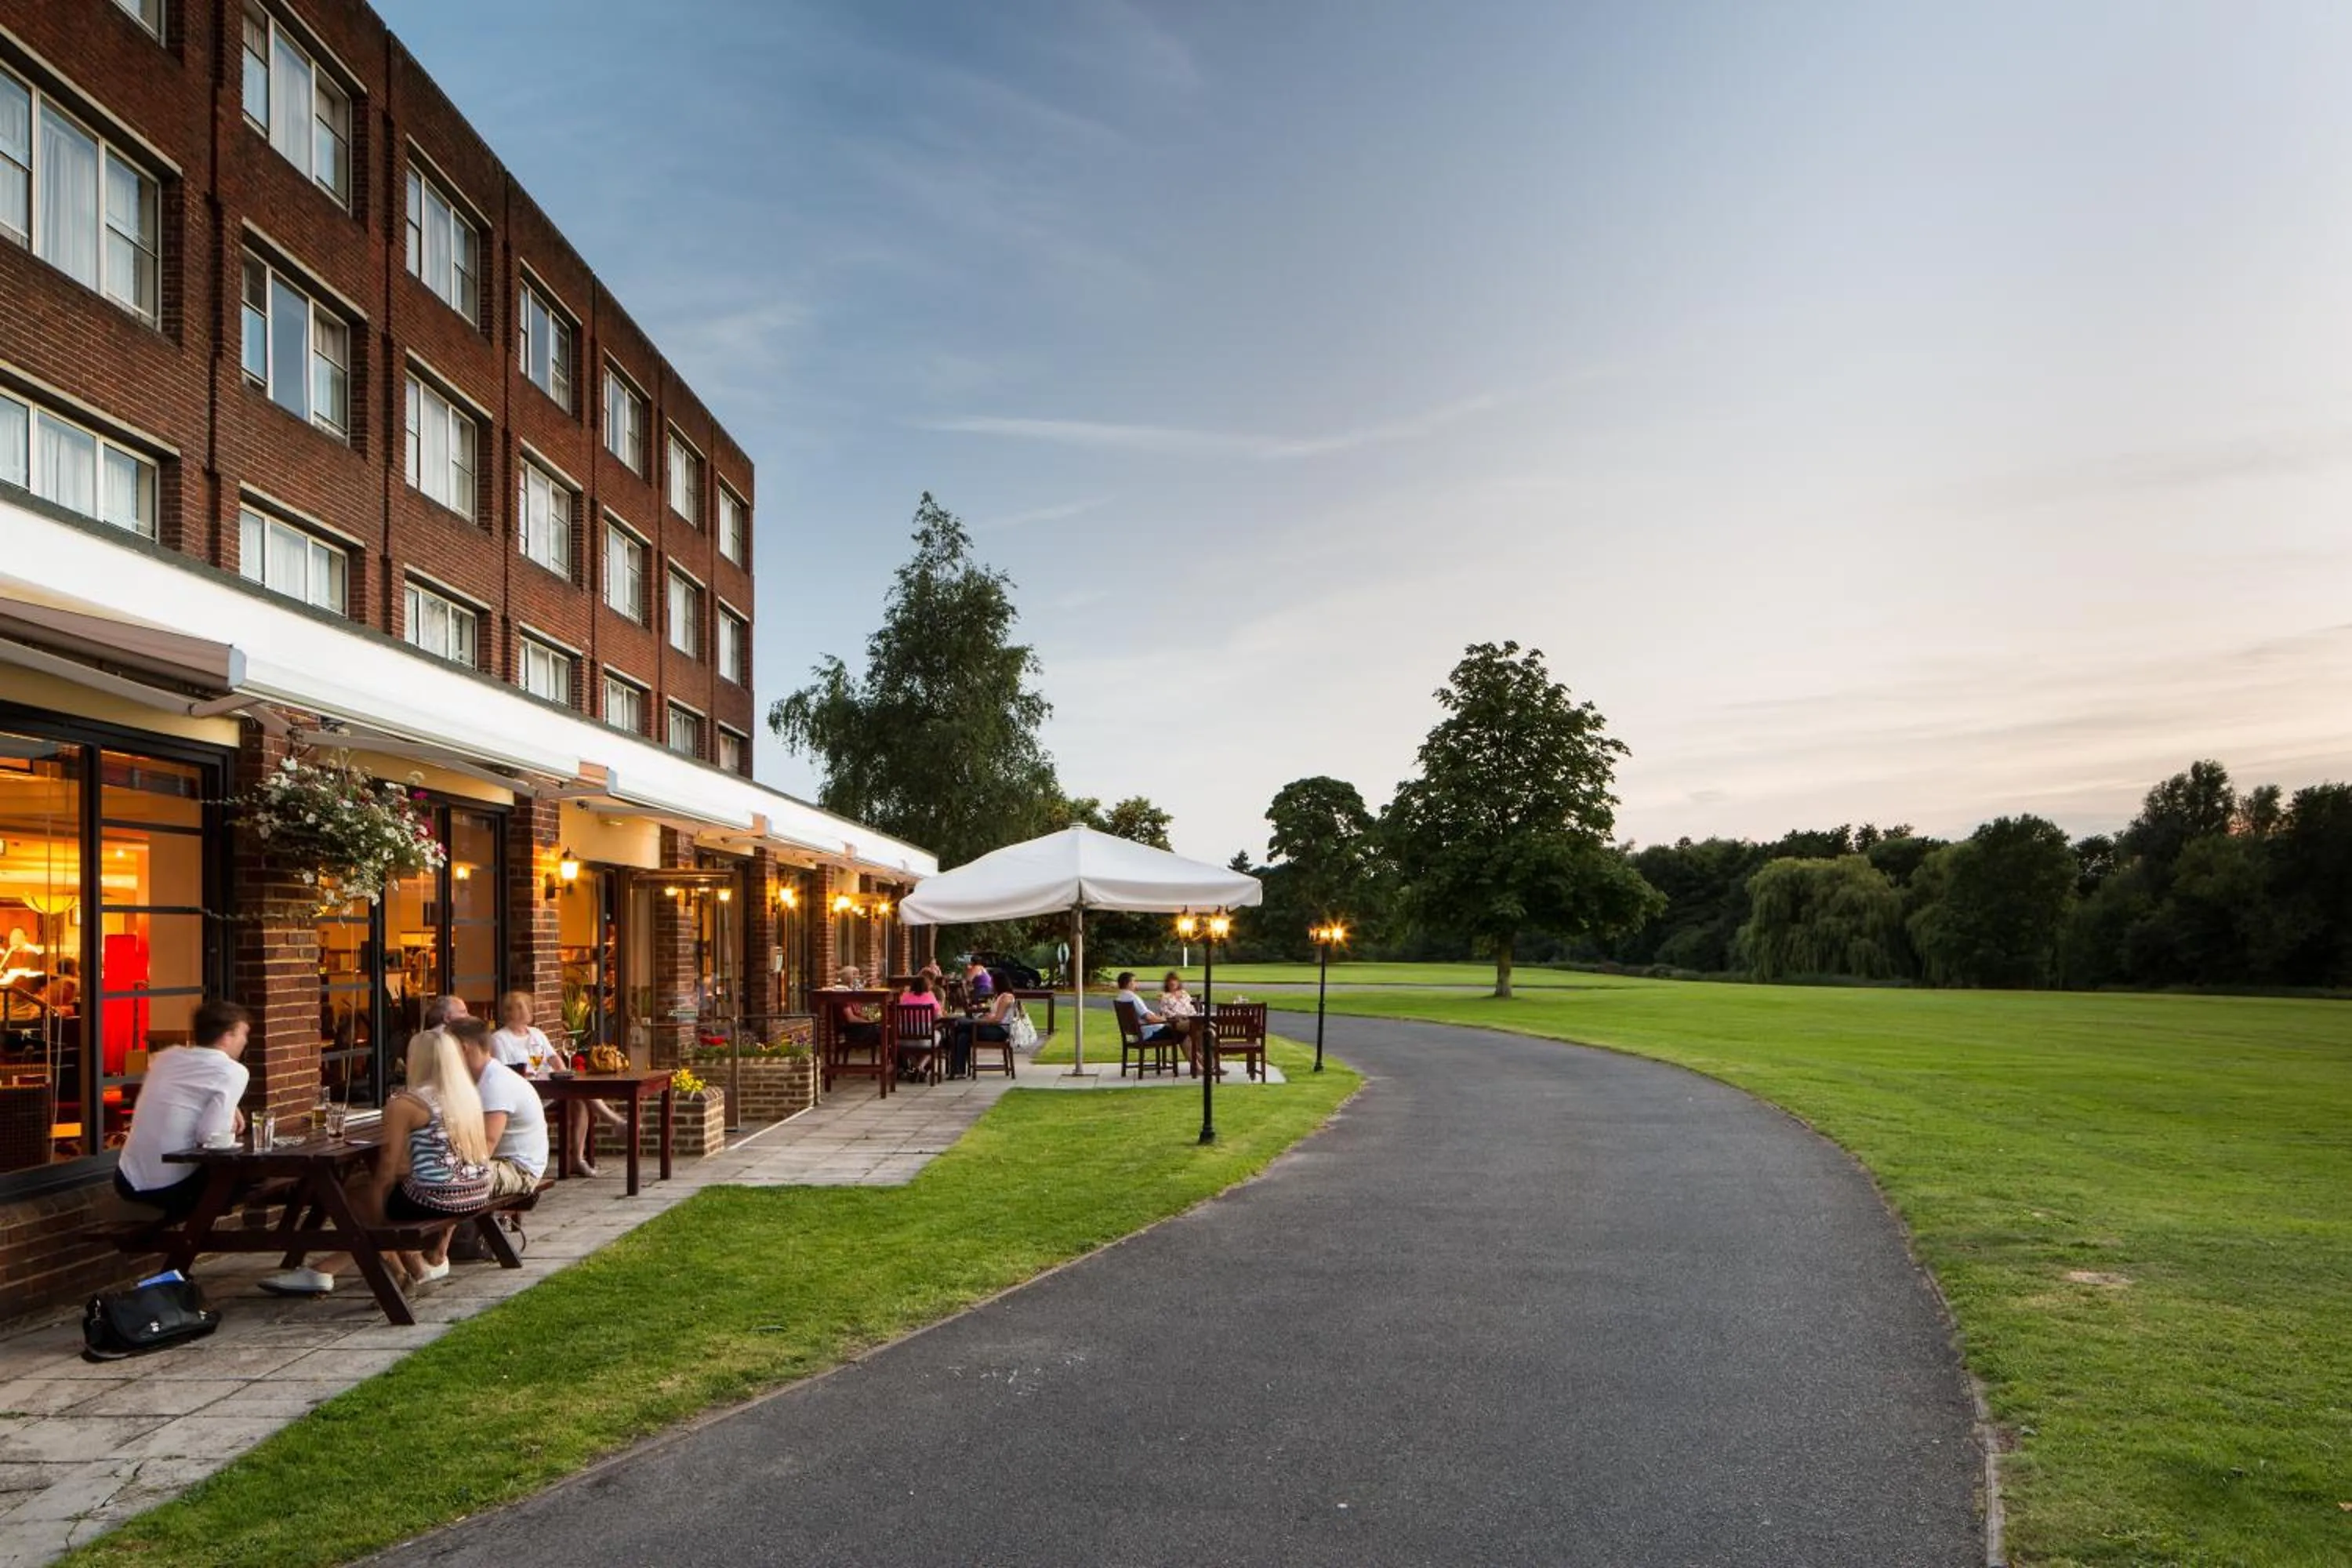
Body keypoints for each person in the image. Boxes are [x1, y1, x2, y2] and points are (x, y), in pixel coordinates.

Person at [369, 1026, 492, 1286]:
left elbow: (388, 1168)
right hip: (478, 1191)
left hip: (438, 1197)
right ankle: (411, 1263)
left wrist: (377, 1211)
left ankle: (397, 1270)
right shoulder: (466, 1095)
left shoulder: (406, 1104)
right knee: (372, 1197)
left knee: (355, 1196)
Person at [115, 999, 249, 1220]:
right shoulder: (233, 1071)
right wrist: (228, 1117)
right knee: (249, 1179)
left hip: (125, 1180)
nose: (245, 1041)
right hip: (169, 1187)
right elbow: (211, 1136)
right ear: (227, 1036)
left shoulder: (166, 1057)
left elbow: (185, 1092)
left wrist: (230, 1105)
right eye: (243, 1034)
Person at [450, 1017, 546, 1199]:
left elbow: (485, 1147)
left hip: (518, 1170)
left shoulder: (494, 1083)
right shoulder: (480, 1078)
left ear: (462, 1048)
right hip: (501, 1163)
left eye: (445, 1050)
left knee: (446, 1182)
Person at [1114, 971, 1196, 1071]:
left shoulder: (1121, 997)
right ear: (1129, 983)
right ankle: (1198, 1066)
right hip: (1151, 1033)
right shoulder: (1133, 998)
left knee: (1187, 1031)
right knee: (1184, 1035)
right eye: (1135, 981)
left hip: (1140, 1032)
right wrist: (1163, 1020)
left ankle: (1200, 1064)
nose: (1136, 984)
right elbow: (1149, 1018)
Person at [944, 989, 1024, 1078]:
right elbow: (995, 1016)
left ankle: (948, 1040)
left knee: (960, 1025)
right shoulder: (1001, 997)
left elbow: (997, 1019)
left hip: (999, 1032)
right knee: (963, 1036)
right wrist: (987, 1017)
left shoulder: (1006, 998)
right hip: (993, 1028)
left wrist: (984, 1020)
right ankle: (959, 1070)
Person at [488, 990, 556, 1073]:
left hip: (548, 1082)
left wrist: (566, 1078)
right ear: (508, 1012)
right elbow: (503, 1072)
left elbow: (553, 1058)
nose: (527, 1009)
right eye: (520, 1006)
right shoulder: (498, 1039)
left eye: (527, 1005)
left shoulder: (537, 1033)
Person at [895, 975, 942, 1078]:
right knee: (937, 1040)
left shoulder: (904, 997)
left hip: (905, 1037)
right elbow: (938, 1016)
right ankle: (920, 1066)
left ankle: (916, 1067)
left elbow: (898, 1016)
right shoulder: (930, 996)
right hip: (926, 1039)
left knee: (904, 1048)